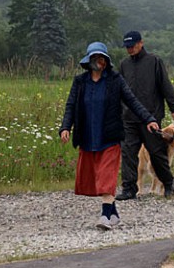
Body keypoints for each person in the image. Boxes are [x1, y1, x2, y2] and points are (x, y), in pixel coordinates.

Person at [59, 42, 159, 230]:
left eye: (103, 58)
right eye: (96, 58)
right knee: (95, 178)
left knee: (106, 176)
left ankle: (105, 216)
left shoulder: (115, 80)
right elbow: (70, 106)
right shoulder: (80, 82)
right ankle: (113, 214)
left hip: (110, 137)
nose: (100, 62)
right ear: (89, 60)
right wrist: (65, 127)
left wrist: (149, 119)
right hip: (88, 138)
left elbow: (132, 101)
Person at [116, 30, 174, 200]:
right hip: (128, 117)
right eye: (127, 47)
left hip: (150, 117)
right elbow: (119, 90)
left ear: (140, 43)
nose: (129, 49)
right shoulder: (124, 65)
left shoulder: (154, 62)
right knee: (128, 153)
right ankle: (129, 188)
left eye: (132, 46)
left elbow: (165, 85)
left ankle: (168, 182)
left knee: (156, 152)